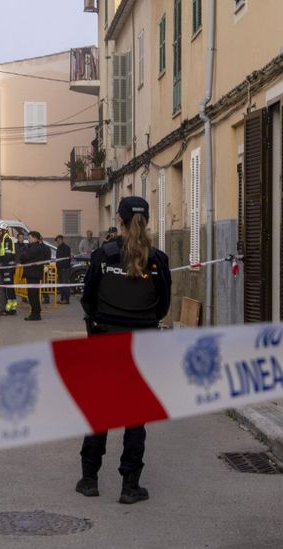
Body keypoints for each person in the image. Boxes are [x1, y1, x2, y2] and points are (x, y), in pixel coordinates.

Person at [76, 196, 171, 504]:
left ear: (119, 220)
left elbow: (87, 297)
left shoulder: (103, 255)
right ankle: (130, 485)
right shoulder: (157, 259)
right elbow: (164, 305)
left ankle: (89, 479)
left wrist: (101, 321)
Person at [20, 231, 49, 321]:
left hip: (33, 274)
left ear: (35, 238)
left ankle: (35, 314)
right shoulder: (32, 247)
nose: (28, 240)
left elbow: (24, 257)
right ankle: (35, 312)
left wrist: (24, 250)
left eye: (29, 238)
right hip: (32, 274)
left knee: (33, 295)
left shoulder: (35, 248)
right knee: (32, 295)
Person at [0, 225, 18, 316]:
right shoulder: (4, 240)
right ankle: (11, 307)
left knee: (9, 288)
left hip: (8, 267)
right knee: (8, 287)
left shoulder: (7, 240)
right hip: (6, 267)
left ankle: (11, 308)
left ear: (3, 230)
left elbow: (8, 255)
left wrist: (2, 265)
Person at [55, 235, 73, 304]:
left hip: (64, 269)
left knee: (65, 284)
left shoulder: (66, 248)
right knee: (61, 285)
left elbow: (67, 259)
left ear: (62, 240)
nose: (58, 241)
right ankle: (62, 299)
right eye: (57, 240)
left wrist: (63, 267)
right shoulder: (58, 248)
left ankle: (66, 299)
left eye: (59, 240)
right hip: (59, 269)